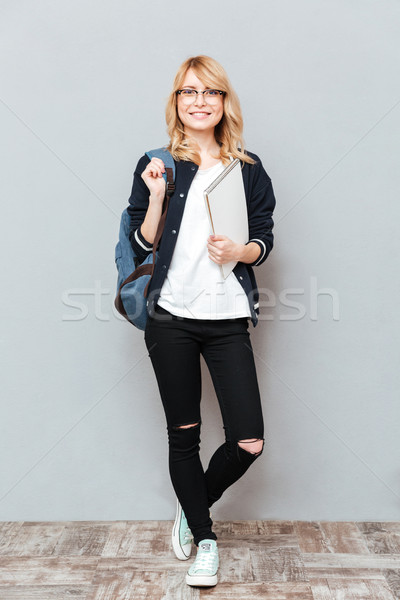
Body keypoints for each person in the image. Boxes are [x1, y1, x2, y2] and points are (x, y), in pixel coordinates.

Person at [127, 55, 276, 588]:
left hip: (226, 316)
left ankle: (191, 506)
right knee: (184, 436)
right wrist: (158, 194)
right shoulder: (157, 164)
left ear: (223, 103)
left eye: (210, 92)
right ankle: (205, 540)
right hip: (170, 317)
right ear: (177, 102)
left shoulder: (249, 168)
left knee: (248, 440)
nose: (199, 101)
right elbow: (140, 243)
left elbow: (264, 238)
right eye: (189, 92)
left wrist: (242, 249)